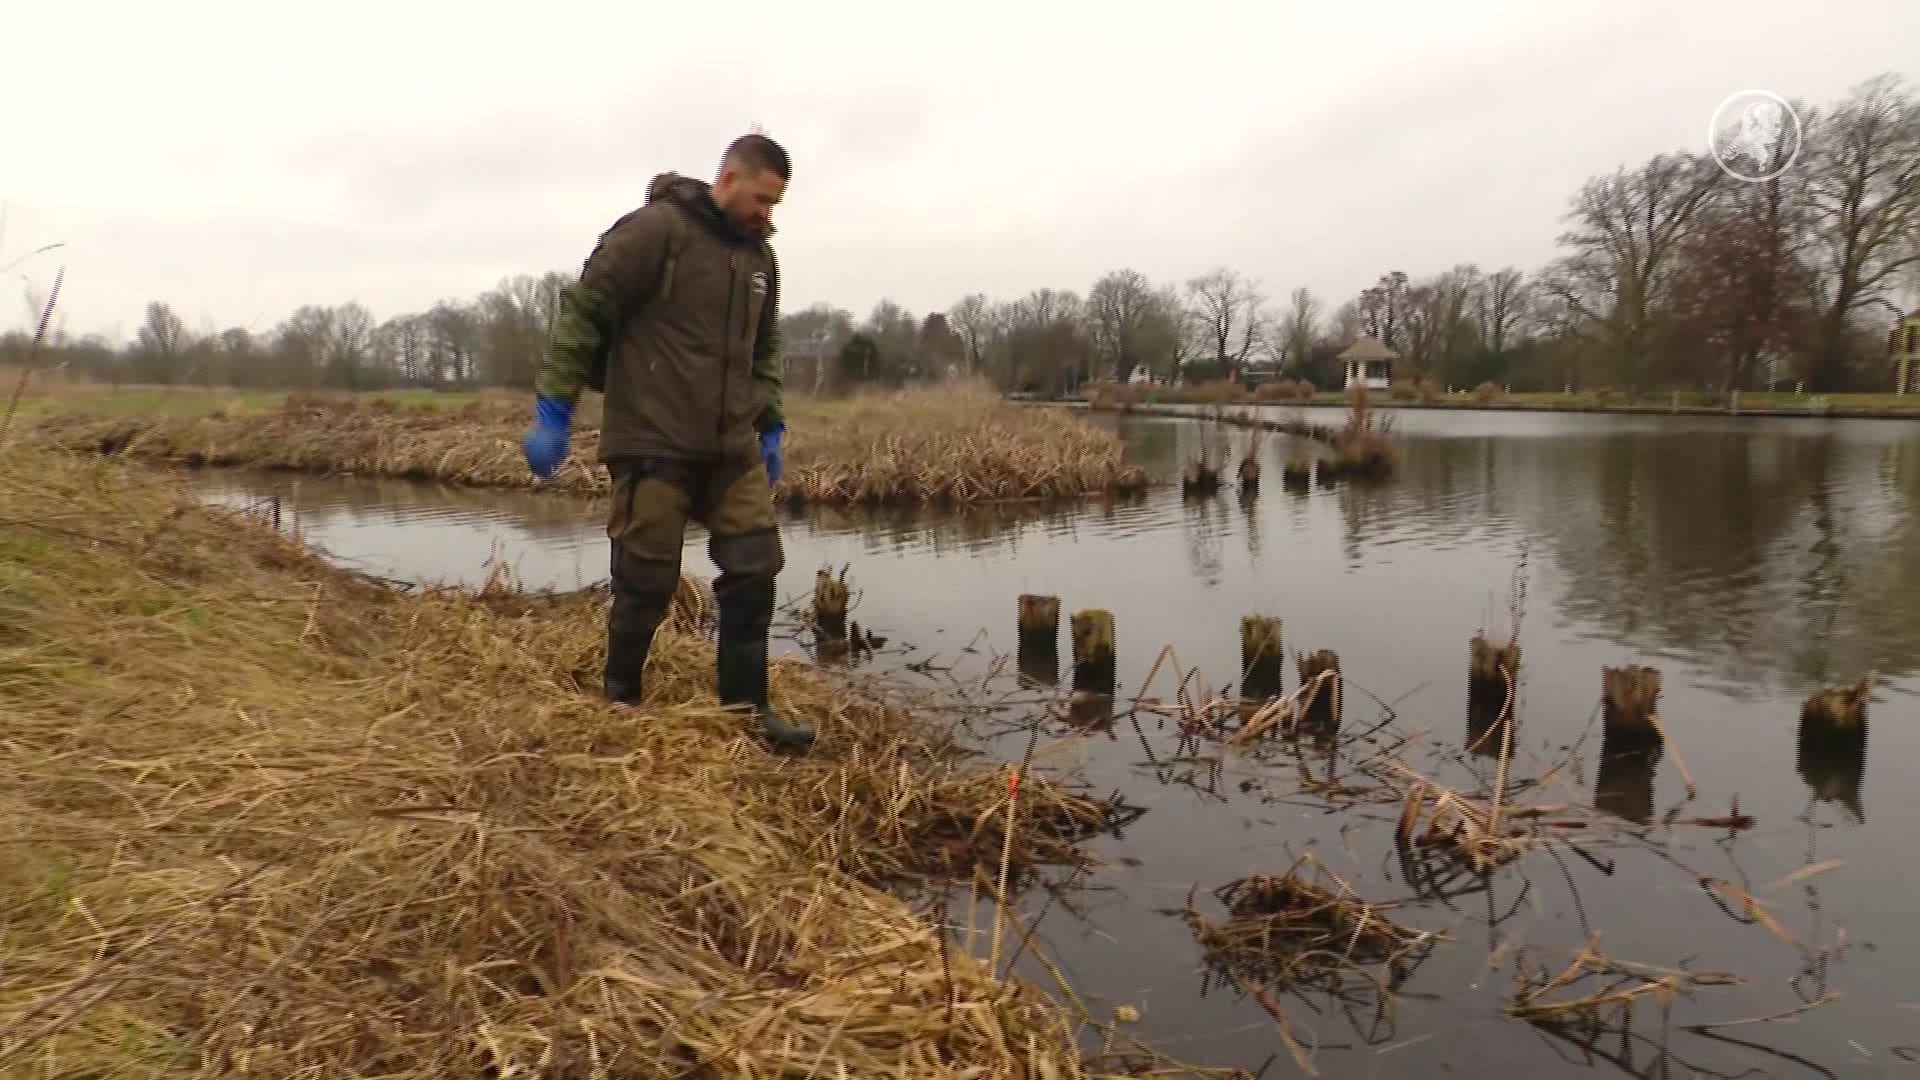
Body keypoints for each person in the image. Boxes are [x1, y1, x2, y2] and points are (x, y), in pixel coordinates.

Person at [521, 133, 814, 751]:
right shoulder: (658, 231)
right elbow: (584, 310)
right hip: (653, 438)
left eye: (776, 205)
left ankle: (745, 710)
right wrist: (555, 406)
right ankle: (621, 698)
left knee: (756, 566)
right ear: (729, 179)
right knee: (646, 580)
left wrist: (772, 421)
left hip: (730, 447)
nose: (768, 214)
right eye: (762, 199)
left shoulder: (761, 261)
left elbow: (765, 349)